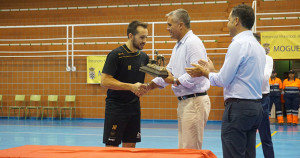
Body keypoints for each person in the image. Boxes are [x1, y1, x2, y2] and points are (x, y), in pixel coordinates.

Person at [186, 4, 265, 158]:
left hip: (238, 109)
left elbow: (222, 80)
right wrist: (213, 71)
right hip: (255, 107)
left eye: (228, 20)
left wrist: (205, 72)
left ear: (236, 21)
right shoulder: (258, 46)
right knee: (249, 154)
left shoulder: (238, 44)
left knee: (233, 154)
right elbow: (238, 78)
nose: (227, 24)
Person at [146, 8, 211, 149]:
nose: (167, 28)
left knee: (190, 149)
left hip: (194, 101)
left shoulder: (193, 43)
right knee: (184, 148)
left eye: (169, 25)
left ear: (181, 25)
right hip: (186, 102)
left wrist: (176, 80)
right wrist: (150, 85)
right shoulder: (179, 45)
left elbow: (198, 74)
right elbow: (169, 70)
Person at [101, 20, 149, 148]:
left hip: (134, 107)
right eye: (142, 37)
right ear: (131, 36)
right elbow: (104, 81)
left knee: (130, 146)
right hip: (116, 108)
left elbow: (156, 77)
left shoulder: (144, 57)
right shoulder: (116, 55)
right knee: (112, 146)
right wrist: (131, 87)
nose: (145, 41)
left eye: (146, 37)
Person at [254, 33, 275, 158]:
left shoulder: (268, 59)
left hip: (263, 98)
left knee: (265, 135)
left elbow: (264, 77)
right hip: (248, 98)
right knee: (248, 135)